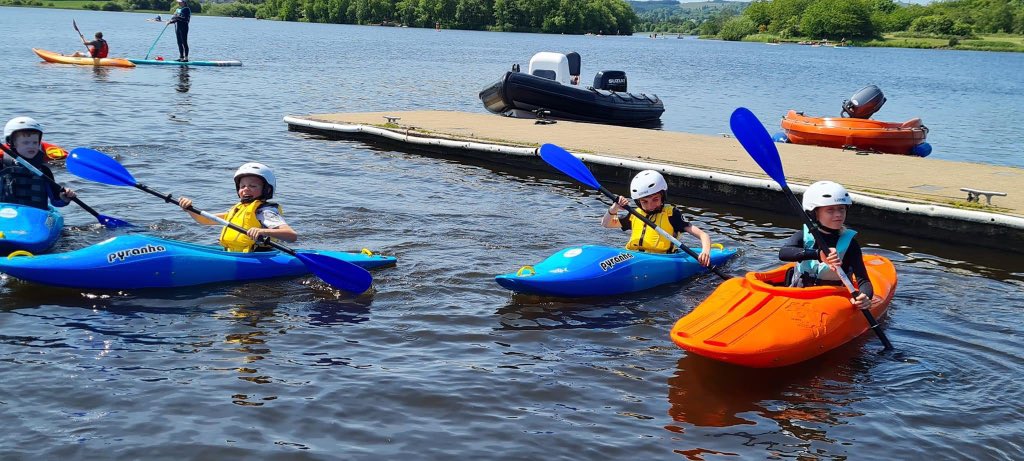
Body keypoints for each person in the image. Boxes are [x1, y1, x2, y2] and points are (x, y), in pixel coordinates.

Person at [778, 180, 872, 310]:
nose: (838, 214)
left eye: (841, 209)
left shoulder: (850, 244)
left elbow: (864, 281)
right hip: (799, 294)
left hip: (832, 300)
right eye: (830, 210)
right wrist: (817, 254)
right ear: (814, 213)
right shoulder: (803, 236)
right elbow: (783, 254)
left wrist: (865, 297)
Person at [177, 163, 297, 252]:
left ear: (267, 189)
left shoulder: (265, 211)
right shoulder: (238, 209)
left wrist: (262, 231)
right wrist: (189, 209)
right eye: (242, 186)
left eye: (252, 186)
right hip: (233, 254)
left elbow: (291, 235)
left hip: (256, 257)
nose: (245, 189)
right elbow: (205, 219)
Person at [601, 170, 712, 265]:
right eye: (644, 201)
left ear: (662, 197)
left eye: (655, 199)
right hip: (633, 257)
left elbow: (703, 235)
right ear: (638, 202)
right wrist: (614, 208)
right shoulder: (635, 214)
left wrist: (705, 252)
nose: (650, 206)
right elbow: (606, 224)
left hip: (662, 260)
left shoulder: (672, 215)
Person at [0, 117, 76, 210]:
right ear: (11, 143)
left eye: (35, 142)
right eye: (26, 143)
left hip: (35, 216)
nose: (31, 146)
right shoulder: (2, 166)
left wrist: (64, 198)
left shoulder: (44, 170)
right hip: (5, 213)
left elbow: (56, 202)